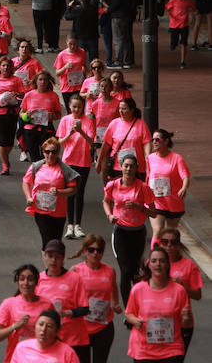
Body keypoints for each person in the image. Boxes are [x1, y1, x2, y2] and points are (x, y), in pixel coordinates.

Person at [102, 154, 156, 305]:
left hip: (138, 233)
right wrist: (109, 214)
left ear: (136, 168)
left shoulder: (143, 188)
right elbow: (106, 201)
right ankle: (128, 311)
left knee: (133, 272)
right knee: (125, 271)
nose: (128, 169)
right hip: (120, 233)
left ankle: (139, 304)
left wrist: (139, 207)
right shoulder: (113, 185)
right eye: (126, 165)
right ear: (121, 167)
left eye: (132, 166)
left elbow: (154, 213)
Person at [124, 247, 191, 363]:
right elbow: (129, 314)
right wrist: (134, 320)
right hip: (144, 350)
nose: (158, 264)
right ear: (149, 265)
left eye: (162, 261)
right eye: (154, 261)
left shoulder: (179, 290)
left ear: (167, 265)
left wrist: (187, 318)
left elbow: (186, 324)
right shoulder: (138, 289)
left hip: (171, 349)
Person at [35, 240, 90, 361]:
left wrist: (67, 313)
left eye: (58, 257)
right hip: (49, 339)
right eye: (50, 256)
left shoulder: (74, 278)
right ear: (44, 256)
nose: (53, 260)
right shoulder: (38, 279)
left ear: (63, 258)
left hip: (74, 339)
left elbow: (85, 309)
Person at [22, 137, 79, 248]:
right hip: (40, 210)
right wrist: (29, 197)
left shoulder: (64, 169)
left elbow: (74, 189)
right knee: (47, 240)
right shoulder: (36, 167)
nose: (50, 155)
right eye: (47, 151)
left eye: (54, 152)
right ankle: (48, 264)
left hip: (58, 211)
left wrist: (60, 192)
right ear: (43, 152)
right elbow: (25, 182)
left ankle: (54, 263)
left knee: (56, 241)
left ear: (58, 152)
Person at [71, 235, 120, 363]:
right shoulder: (76, 271)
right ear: (85, 250)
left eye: (99, 250)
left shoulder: (110, 271)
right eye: (91, 250)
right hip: (81, 328)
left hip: (104, 327)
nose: (95, 253)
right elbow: (68, 296)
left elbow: (114, 288)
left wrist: (115, 303)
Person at [0, 264, 53, 363]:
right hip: (16, 358)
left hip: (41, 359)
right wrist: (15, 326)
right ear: (18, 281)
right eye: (22, 279)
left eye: (30, 279)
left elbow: (55, 333)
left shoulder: (47, 305)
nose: (26, 283)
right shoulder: (9, 304)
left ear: (37, 282)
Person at [157, 228, 202, 353]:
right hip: (157, 321)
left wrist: (182, 286)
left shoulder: (189, 265)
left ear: (179, 244)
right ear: (160, 243)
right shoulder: (153, 263)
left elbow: (198, 295)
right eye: (165, 242)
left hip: (181, 323)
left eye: (173, 242)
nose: (169, 245)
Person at [57, 95, 95, 239]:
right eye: (74, 106)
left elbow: (92, 141)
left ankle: (77, 225)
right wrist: (70, 133)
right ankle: (70, 225)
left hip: (83, 161)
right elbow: (59, 141)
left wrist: (81, 132)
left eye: (79, 107)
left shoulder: (88, 121)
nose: (77, 109)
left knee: (79, 193)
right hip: (69, 160)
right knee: (69, 193)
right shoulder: (65, 120)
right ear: (69, 105)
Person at [0, 57, 25, 175]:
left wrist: (16, 94)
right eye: (3, 65)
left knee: (10, 140)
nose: (6, 68)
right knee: (3, 140)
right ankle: (5, 165)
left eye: (8, 65)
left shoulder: (16, 80)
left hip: (12, 111)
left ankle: (5, 158)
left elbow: (22, 93)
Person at [147, 128, 190, 239]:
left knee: (170, 235)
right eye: (153, 140)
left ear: (166, 141)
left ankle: (168, 255)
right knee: (158, 230)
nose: (154, 142)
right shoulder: (150, 158)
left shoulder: (177, 158)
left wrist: (184, 188)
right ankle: (154, 255)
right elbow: (148, 177)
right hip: (156, 201)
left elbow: (185, 175)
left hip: (173, 202)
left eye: (157, 139)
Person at [19, 71, 62, 163]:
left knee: (46, 157)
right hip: (30, 129)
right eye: (40, 79)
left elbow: (58, 114)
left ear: (48, 82)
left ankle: (44, 175)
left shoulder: (53, 96)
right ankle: (35, 176)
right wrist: (27, 115)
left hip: (46, 130)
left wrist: (53, 116)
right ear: (36, 81)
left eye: (45, 80)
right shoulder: (29, 95)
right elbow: (21, 113)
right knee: (34, 158)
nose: (43, 82)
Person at [9, 309, 79, 363]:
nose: (43, 329)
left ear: (57, 330)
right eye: (40, 324)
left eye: (49, 326)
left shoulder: (67, 352)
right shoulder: (22, 347)